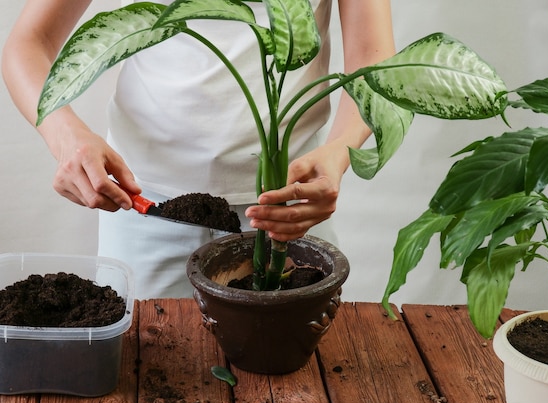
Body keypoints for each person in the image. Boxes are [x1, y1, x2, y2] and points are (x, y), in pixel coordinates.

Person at [2, 0, 395, 298]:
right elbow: (29, 42)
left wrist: (339, 154)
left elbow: (374, 62)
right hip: (144, 205)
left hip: (289, 207)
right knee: (142, 372)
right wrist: (66, 136)